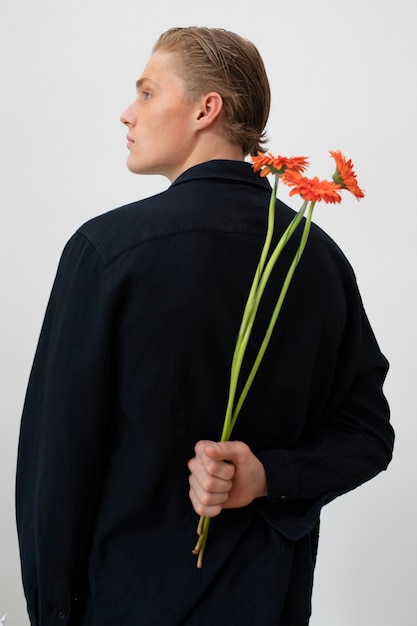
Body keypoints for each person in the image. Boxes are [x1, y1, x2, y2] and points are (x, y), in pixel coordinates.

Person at [16, 26, 394, 626]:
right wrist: (269, 475)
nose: (126, 113)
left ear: (205, 109)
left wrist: (53, 614)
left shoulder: (106, 251)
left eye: (145, 93)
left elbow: (54, 468)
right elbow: (369, 437)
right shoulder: (315, 258)